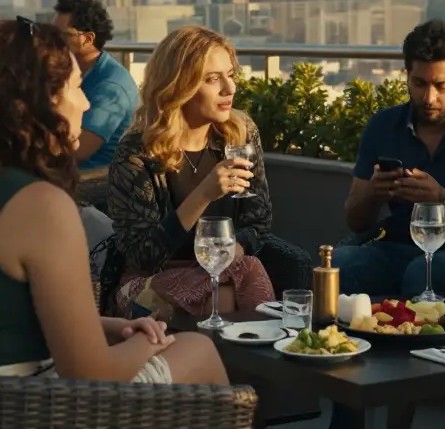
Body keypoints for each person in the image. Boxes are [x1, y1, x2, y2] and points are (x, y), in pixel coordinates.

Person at [0, 18, 226, 385]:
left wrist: (115, 326)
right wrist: (147, 343)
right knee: (197, 350)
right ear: (41, 102)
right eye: (77, 86)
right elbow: (89, 374)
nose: (85, 101)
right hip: (22, 406)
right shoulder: (38, 204)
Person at [106, 25, 310, 319]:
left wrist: (238, 247)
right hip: (149, 283)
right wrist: (203, 194)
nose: (230, 89)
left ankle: (243, 358)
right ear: (179, 85)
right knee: (223, 294)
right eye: (213, 79)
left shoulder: (240, 134)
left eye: (231, 75)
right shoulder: (138, 150)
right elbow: (143, 257)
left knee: (237, 275)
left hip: (227, 270)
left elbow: (258, 219)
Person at [333, 20, 445, 302]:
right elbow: (355, 221)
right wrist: (374, 193)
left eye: (441, 85)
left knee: (426, 272)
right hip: (394, 248)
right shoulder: (384, 125)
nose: (429, 97)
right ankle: (345, 343)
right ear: (407, 75)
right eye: (419, 83)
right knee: (340, 263)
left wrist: (443, 198)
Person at [53, 0, 138, 173]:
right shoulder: (73, 72)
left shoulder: (111, 87)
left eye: (62, 35)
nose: (54, 40)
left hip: (92, 179)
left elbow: (79, 150)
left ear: (88, 38)